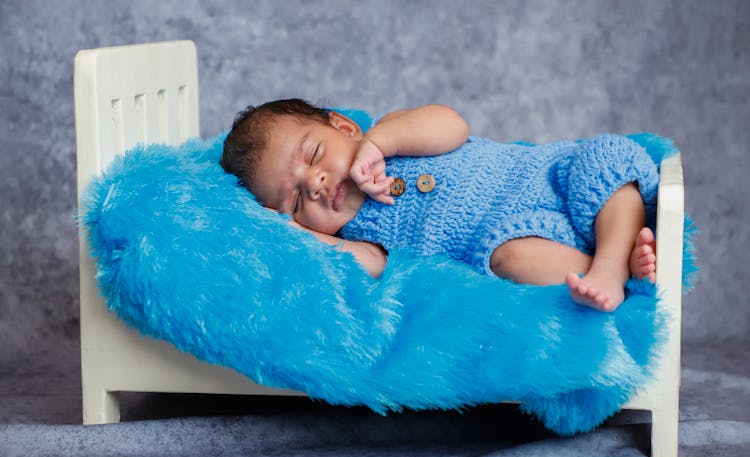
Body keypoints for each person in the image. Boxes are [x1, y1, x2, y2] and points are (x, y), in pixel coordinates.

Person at [220, 99, 658, 312]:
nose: (315, 185)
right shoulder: (362, 236)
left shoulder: (391, 136)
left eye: (314, 157)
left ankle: (611, 261)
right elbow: (366, 264)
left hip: (547, 180)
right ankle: (607, 274)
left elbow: (453, 125)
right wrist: (297, 236)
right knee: (513, 259)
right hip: (515, 235)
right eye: (295, 200)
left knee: (604, 162)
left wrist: (380, 142)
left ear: (344, 127)